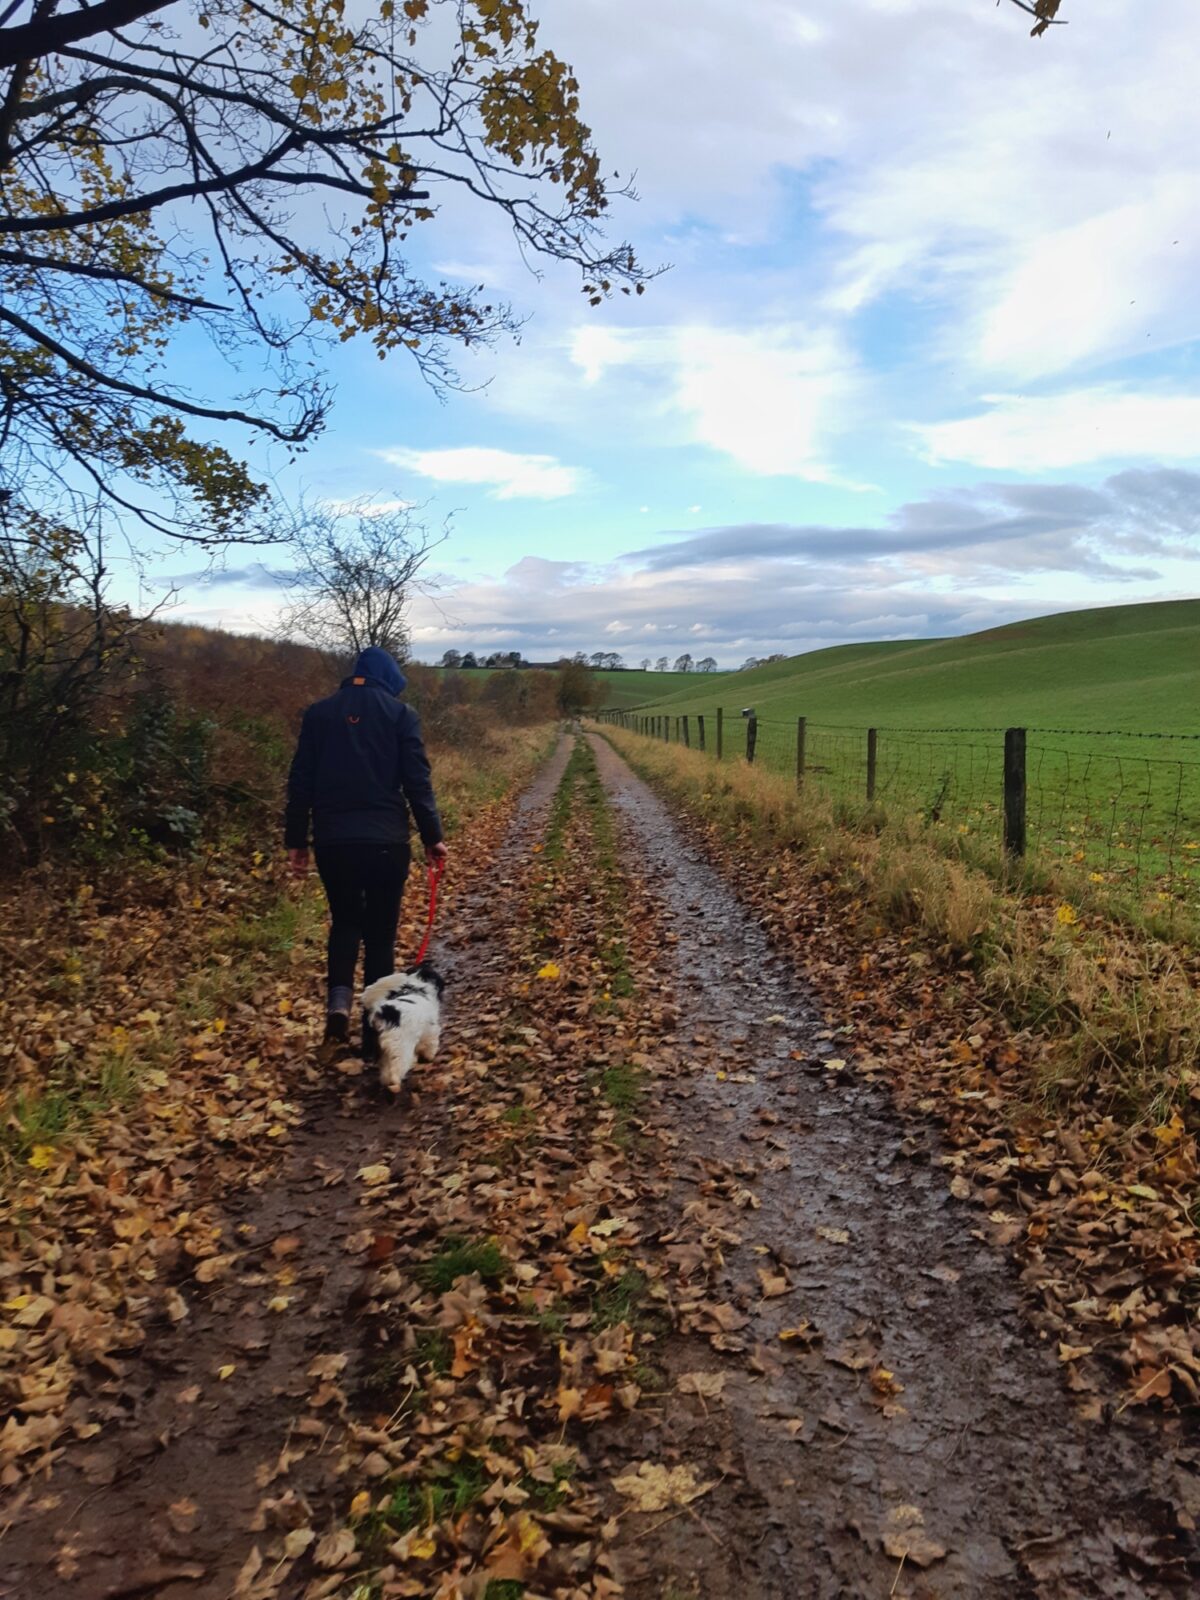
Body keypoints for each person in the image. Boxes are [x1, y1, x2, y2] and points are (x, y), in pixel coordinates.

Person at [284, 646, 448, 1056]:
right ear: (388, 680)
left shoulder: (318, 715)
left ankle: (337, 1009)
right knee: (380, 936)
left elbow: (300, 781)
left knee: (344, 924)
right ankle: (374, 1034)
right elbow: (417, 782)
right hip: (385, 843)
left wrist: (296, 840)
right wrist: (432, 836)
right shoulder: (401, 715)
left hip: (333, 842)